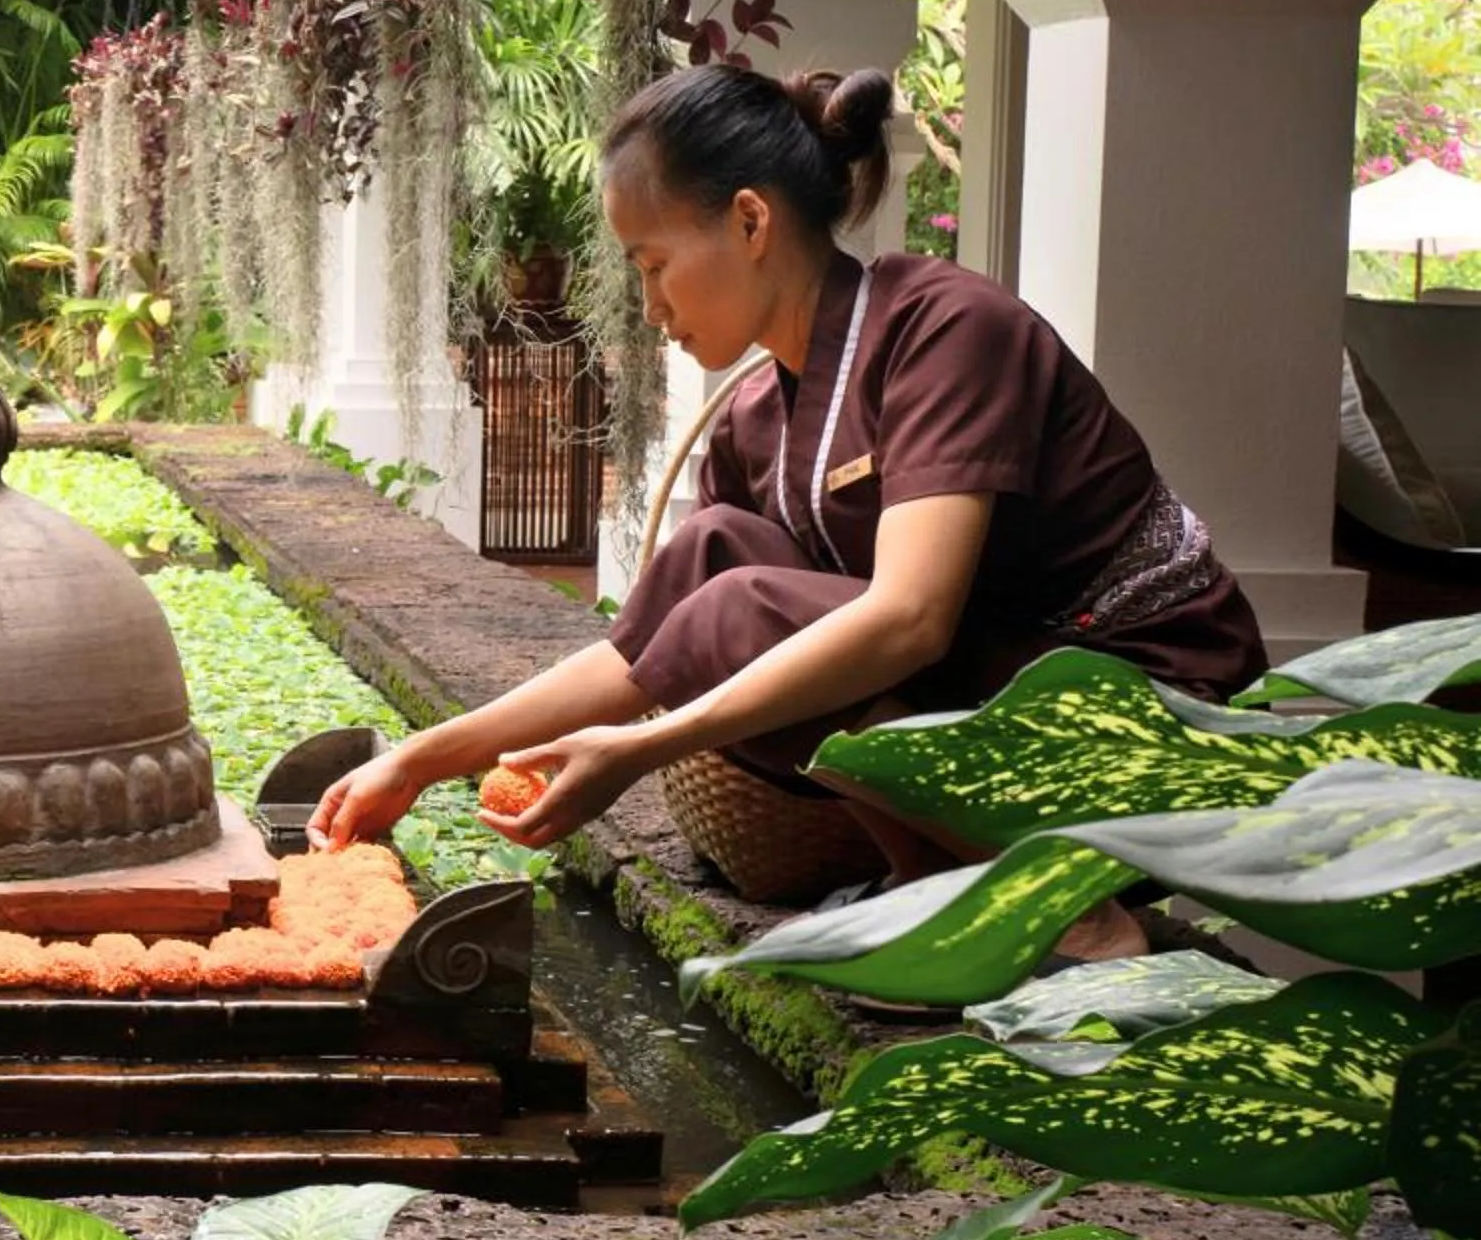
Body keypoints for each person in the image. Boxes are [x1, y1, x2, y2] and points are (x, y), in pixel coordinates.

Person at [306, 62, 1265, 902]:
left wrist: (644, 748)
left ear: (751, 220)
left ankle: (1062, 909)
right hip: (1004, 709)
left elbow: (910, 621)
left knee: (745, 604)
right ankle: (933, 878)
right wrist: (422, 759)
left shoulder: (947, 329)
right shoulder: (762, 411)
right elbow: (642, 656)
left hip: (1142, 731)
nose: (647, 308)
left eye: (654, 265)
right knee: (714, 555)